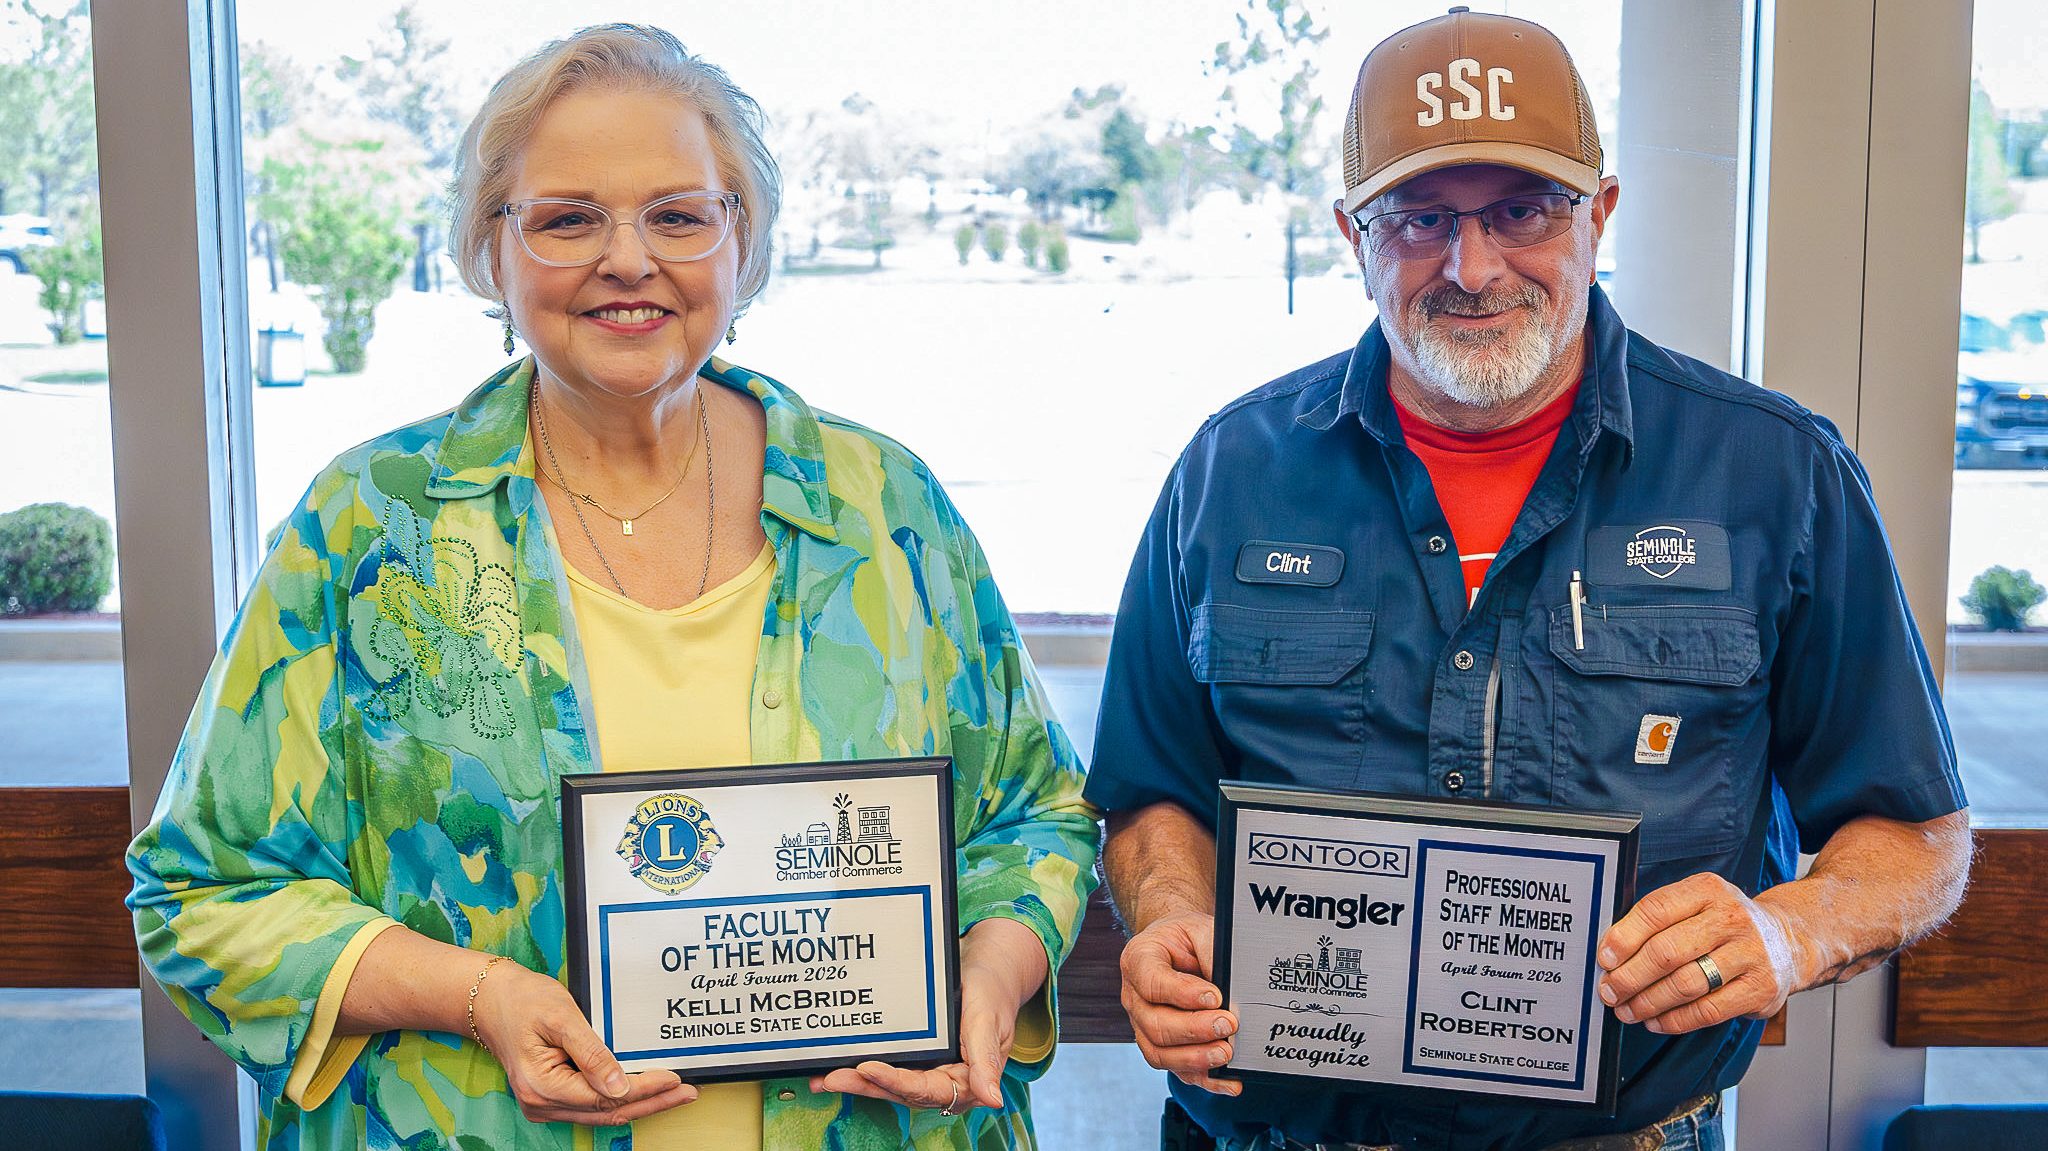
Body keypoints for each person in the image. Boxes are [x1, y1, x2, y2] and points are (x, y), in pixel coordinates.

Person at [127, 24, 1097, 1151]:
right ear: (491, 252)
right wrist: (477, 995)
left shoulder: (886, 506)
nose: (628, 259)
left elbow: (1035, 812)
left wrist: (985, 966)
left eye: (678, 215)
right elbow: (202, 891)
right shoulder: (371, 522)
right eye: (566, 217)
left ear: (744, 244)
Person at [1084, 9, 1971, 1151]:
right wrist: (1165, 908)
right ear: (1351, 233)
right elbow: (1151, 787)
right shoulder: (1229, 470)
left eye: (1521, 209)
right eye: (1417, 218)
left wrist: (1786, 930)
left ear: (1597, 213)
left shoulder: (1773, 473)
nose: (1472, 266)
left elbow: (1912, 835)